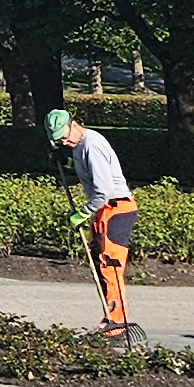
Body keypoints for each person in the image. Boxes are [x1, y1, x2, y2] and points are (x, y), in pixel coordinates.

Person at [50, 110, 137, 340]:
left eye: (65, 137)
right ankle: (110, 316)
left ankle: (118, 322)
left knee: (111, 265)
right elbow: (89, 174)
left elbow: (104, 191)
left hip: (116, 208)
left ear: (74, 124)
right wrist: (68, 162)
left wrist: (82, 213)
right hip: (103, 210)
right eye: (59, 140)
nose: (64, 142)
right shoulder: (79, 146)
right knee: (101, 265)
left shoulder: (92, 145)